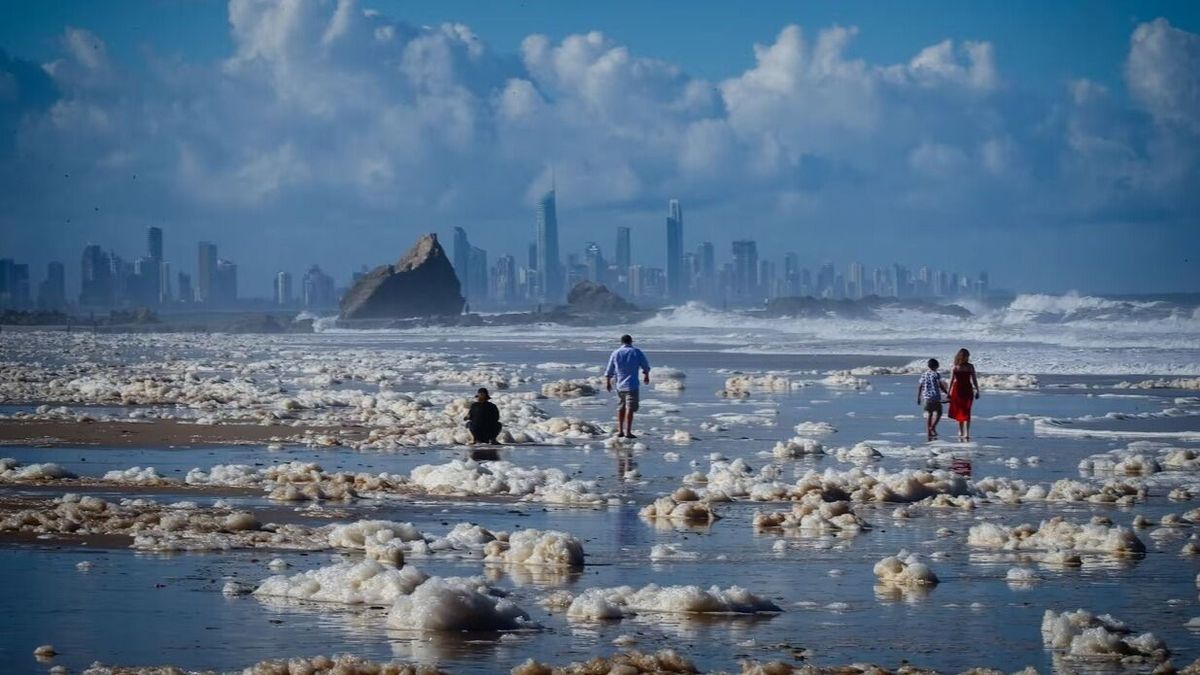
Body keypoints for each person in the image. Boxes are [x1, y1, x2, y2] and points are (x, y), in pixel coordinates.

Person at [605, 334, 651, 438]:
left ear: (621, 342)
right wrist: (646, 375)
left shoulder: (615, 353)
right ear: (631, 341)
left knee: (621, 407)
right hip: (632, 384)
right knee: (630, 408)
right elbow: (645, 365)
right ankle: (628, 432)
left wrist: (608, 382)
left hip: (619, 384)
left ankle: (621, 430)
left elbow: (610, 369)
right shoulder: (636, 352)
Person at [948, 348, 981, 441]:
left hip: (968, 390)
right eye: (966, 356)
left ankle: (967, 432)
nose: (967, 358)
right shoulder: (955, 367)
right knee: (960, 411)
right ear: (961, 356)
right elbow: (951, 380)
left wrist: (977, 390)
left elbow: (974, 379)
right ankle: (961, 430)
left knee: (967, 411)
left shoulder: (970, 366)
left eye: (968, 356)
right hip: (957, 391)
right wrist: (948, 393)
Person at [917, 358, 948, 441]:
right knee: (939, 413)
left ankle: (929, 432)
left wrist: (918, 397)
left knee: (929, 414)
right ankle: (932, 427)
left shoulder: (924, 374)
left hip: (926, 398)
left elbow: (920, 386)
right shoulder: (936, 374)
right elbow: (939, 384)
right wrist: (947, 392)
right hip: (935, 397)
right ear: (936, 366)